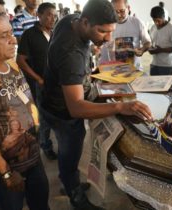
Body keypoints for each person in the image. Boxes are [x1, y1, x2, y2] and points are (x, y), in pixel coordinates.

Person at [40, 0, 153, 209]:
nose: (108, 38)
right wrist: (121, 107)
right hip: (63, 112)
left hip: (55, 96)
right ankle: (76, 198)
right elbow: (77, 107)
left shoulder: (69, 21)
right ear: (84, 22)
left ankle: (70, 181)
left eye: (111, 31)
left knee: (70, 155)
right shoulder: (71, 53)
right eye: (102, 32)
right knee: (69, 152)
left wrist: (88, 75)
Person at [0, 11, 49, 210]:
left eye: (11, 33)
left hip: (32, 157)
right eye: (3, 36)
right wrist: (6, 172)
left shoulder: (11, 63)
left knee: (41, 202)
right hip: (4, 169)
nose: (13, 40)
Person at [17, 2, 57, 160]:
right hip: (41, 84)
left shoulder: (55, 33)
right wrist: (38, 79)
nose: (52, 18)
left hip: (56, 83)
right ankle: (45, 145)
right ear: (38, 16)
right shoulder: (30, 34)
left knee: (55, 113)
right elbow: (20, 60)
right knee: (44, 116)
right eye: (48, 14)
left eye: (54, 15)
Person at [98, 0, 151, 69]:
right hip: (111, 71)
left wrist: (142, 50)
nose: (118, 15)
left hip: (133, 71)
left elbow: (147, 42)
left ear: (128, 8)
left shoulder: (137, 23)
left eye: (122, 11)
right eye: (115, 12)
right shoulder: (105, 23)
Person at [149, 6, 172, 75]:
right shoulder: (153, 28)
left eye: (158, 20)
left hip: (167, 65)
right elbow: (151, 43)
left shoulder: (171, 29)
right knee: (153, 85)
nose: (156, 23)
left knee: (166, 85)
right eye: (154, 20)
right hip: (154, 64)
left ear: (164, 17)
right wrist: (150, 49)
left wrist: (161, 50)